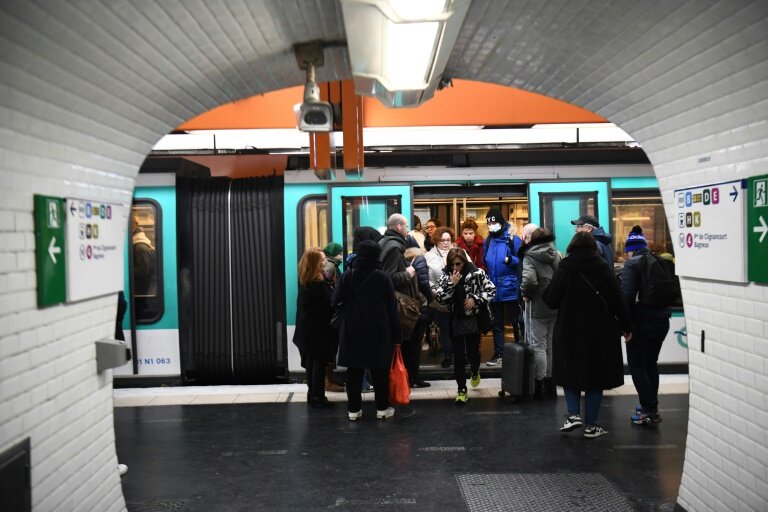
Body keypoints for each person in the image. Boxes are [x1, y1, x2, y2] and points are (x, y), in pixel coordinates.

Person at [543, 232, 632, 439]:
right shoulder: (603, 267)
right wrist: (627, 327)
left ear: (572, 246)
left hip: (569, 330)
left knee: (570, 372)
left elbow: (551, 300)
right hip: (600, 332)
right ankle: (591, 426)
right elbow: (618, 300)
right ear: (593, 248)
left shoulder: (565, 267)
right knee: (596, 377)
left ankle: (574, 415)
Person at [334, 240, 401, 421]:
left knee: (354, 371)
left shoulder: (348, 275)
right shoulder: (383, 277)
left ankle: (353, 410)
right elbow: (392, 309)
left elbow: (335, 301)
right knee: (380, 371)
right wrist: (397, 336)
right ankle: (382, 408)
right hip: (379, 331)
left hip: (352, 329)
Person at [621, 226, 671, 426]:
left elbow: (627, 298)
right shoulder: (660, 260)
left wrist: (626, 327)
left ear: (631, 249)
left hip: (641, 323)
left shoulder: (632, 264)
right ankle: (651, 406)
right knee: (650, 363)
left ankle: (649, 410)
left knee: (637, 365)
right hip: (662, 321)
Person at [435, 248, 496, 404]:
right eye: (452, 264)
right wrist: (452, 284)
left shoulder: (477, 273)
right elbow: (440, 298)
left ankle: (475, 370)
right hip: (455, 319)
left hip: (473, 319)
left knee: (473, 353)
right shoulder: (446, 276)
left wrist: (475, 299)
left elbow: (491, 290)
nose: (455, 267)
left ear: (464, 262)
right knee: (459, 357)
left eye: (458, 264)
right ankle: (461, 389)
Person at [292, 248, 338, 409]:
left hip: (308, 330)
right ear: (315, 263)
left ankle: (312, 394)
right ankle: (318, 396)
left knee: (312, 362)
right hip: (318, 331)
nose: (325, 262)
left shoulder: (306, 279)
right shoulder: (318, 284)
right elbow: (331, 303)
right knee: (319, 363)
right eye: (322, 259)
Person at [519, 228, 560, 400]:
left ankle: (539, 382)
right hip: (555, 306)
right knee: (550, 345)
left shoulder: (529, 256)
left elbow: (529, 280)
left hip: (537, 306)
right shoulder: (556, 254)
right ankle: (551, 383)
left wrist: (525, 293)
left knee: (538, 346)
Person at [483, 208, 523, 366]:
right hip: (494, 288)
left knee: (516, 321)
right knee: (497, 324)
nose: (491, 225)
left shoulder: (513, 239)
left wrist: (510, 260)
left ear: (501, 222)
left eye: (494, 222)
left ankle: (520, 352)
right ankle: (499, 353)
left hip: (511, 288)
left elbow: (521, 260)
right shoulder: (488, 241)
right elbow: (485, 260)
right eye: (489, 223)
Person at [425, 226, 457, 368]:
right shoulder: (428, 256)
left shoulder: (458, 252)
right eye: (442, 240)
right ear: (436, 241)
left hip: (456, 298)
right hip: (438, 299)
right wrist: (433, 290)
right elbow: (425, 278)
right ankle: (448, 356)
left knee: (457, 329)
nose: (446, 243)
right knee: (444, 329)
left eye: (448, 240)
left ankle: (460, 356)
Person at [404, 244, 433, 388]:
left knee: (406, 345)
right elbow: (424, 283)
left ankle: (406, 377)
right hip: (418, 307)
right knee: (415, 345)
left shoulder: (403, 261)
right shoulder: (420, 259)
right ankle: (414, 377)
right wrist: (430, 299)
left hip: (406, 308)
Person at [131, 217, 156, 296]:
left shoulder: (140, 247)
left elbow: (143, 271)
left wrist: (127, 270)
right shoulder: (136, 244)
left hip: (141, 290)